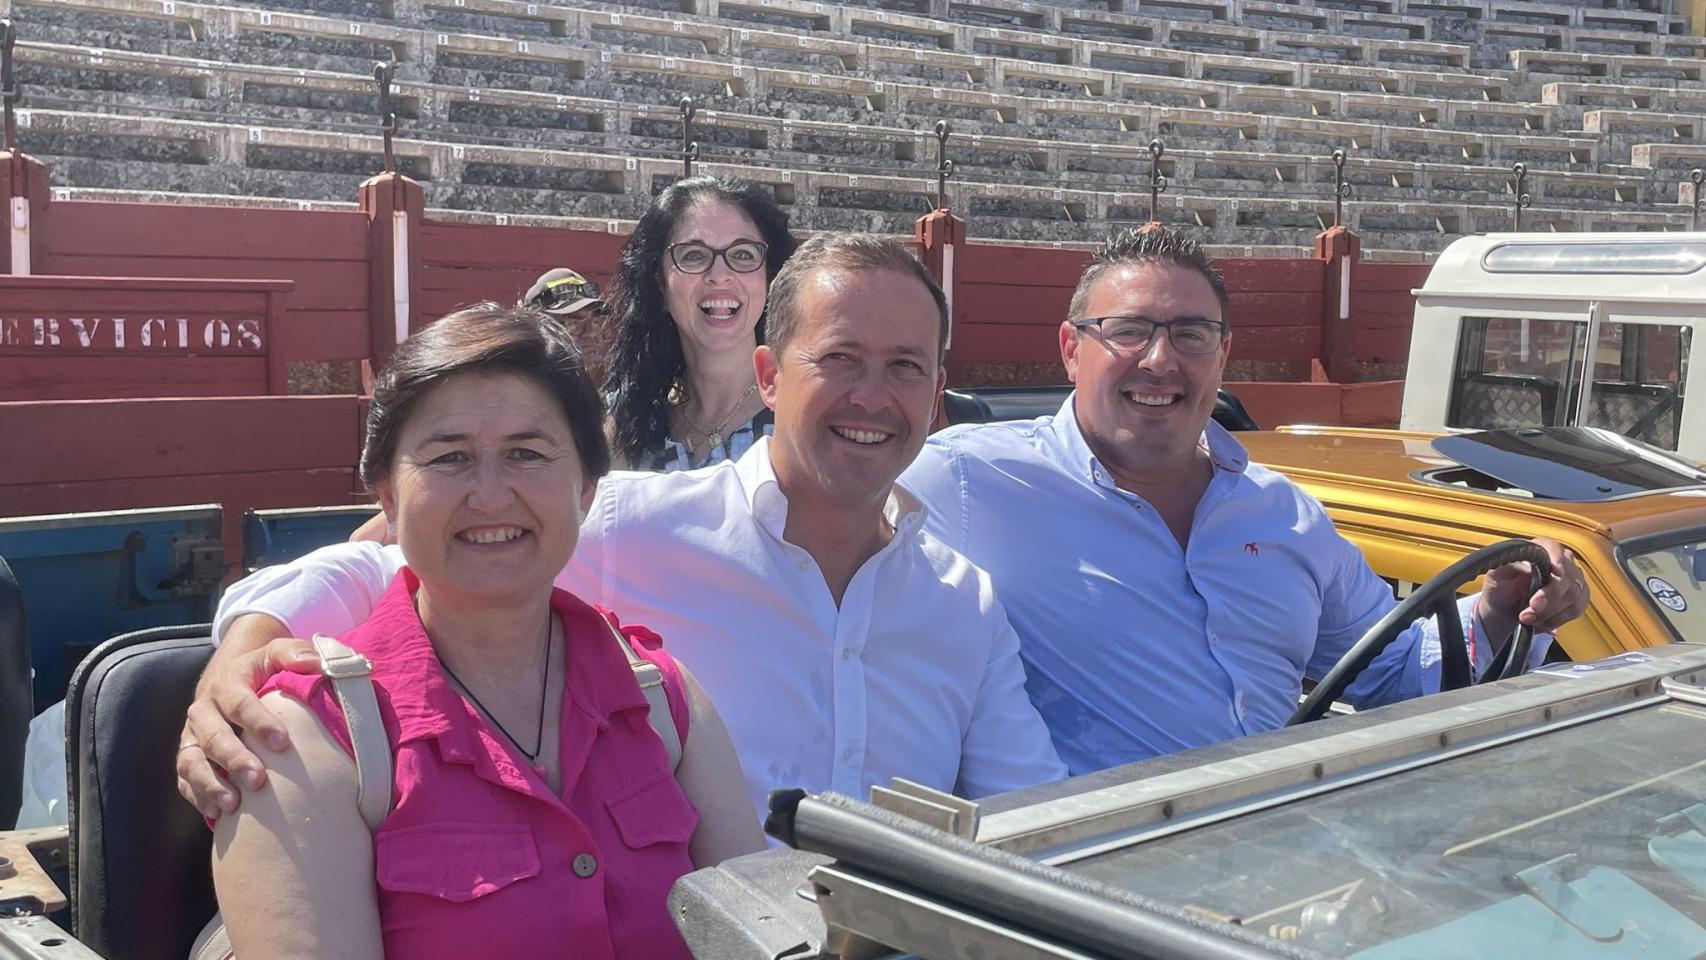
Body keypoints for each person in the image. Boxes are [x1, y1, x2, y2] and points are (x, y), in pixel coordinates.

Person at [179, 234, 1066, 826]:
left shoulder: (962, 597)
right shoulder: (635, 526)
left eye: (904, 367)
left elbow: (1030, 819)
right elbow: (397, 558)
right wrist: (249, 644)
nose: (872, 396)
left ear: (937, 395)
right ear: (767, 374)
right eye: (838, 359)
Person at [898, 225, 1590, 776]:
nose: (1161, 360)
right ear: (1071, 350)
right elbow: (808, 505)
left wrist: (1502, 609)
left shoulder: (1286, 514)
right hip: (1082, 881)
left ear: (1223, 356)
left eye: (1190, 334)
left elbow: (1397, 671)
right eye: (1129, 330)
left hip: (1272, 866)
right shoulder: (963, 479)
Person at [208, 304, 761, 959]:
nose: (491, 495)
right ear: (386, 495)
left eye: (527, 453)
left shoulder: (663, 699)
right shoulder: (303, 743)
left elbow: (756, 935)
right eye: (450, 458)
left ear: (586, 488)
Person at [604, 176, 797, 471]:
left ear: (769, 279)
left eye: (743, 254)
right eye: (693, 256)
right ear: (659, 285)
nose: (719, 275)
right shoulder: (626, 425)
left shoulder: (805, 416)